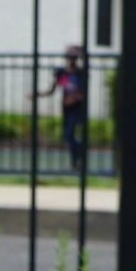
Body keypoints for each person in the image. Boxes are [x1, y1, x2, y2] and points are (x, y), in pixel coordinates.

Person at [29, 43, 90, 173]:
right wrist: (37, 94)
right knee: (68, 137)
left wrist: (74, 99)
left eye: (74, 57)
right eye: (69, 57)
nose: (71, 60)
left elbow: (82, 93)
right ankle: (76, 161)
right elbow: (52, 90)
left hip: (77, 109)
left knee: (70, 134)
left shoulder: (81, 73)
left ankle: (78, 158)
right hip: (66, 109)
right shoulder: (62, 73)